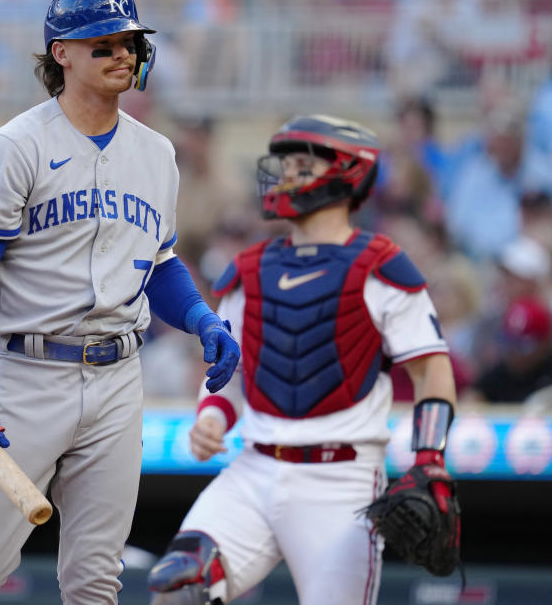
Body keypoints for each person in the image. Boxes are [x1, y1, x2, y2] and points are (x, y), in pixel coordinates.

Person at [0, 0, 240, 605]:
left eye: (130, 41)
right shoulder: (14, 147)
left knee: (96, 581)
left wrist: (203, 318)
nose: (123, 53)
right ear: (62, 53)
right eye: (105, 42)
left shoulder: (158, 154)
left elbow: (158, 263)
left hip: (117, 376)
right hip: (27, 373)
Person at [147, 115, 459, 605]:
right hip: (253, 468)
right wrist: (211, 415)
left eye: (301, 165)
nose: (285, 175)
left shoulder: (381, 264)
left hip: (343, 479)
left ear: (348, 173)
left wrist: (430, 458)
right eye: (285, 164)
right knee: (179, 585)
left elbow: (431, 368)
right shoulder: (248, 268)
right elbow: (229, 372)